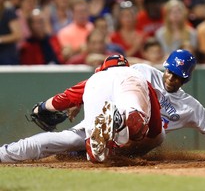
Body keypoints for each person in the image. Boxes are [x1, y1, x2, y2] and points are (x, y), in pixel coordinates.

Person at [2, 52, 205, 163]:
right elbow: (106, 77)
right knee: (64, 140)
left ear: (186, 78)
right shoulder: (142, 72)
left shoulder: (188, 105)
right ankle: (8, 154)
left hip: (146, 135)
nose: (171, 78)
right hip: (116, 112)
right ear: (164, 68)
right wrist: (80, 100)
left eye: (178, 76)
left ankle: (104, 136)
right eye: (170, 72)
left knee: (153, 131)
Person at [0, 55, 163, 163]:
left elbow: (62, 99)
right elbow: (155, 129)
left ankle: (4, 154)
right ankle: (121, 122)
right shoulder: (137, 75)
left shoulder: (96, 78)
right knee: (140, 125)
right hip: (132, 98)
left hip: (93, 123)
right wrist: (148, 137)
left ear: (102, 68)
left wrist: (41, 107)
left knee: (85, 150)